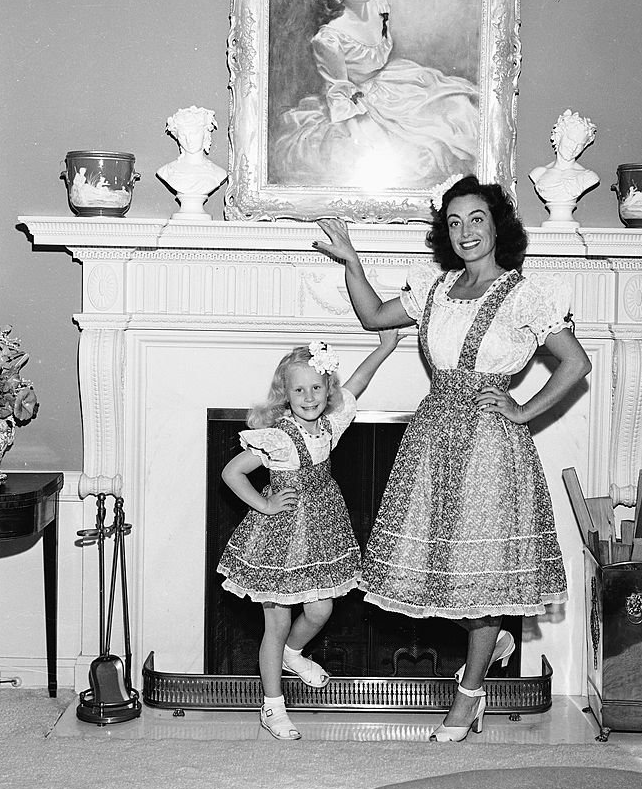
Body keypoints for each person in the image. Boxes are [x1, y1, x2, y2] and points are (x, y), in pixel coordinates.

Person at [314, 176, 591, 742]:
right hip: (434, 442)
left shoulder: (524, 296)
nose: (465, 231)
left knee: (478, 576)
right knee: (440, 578)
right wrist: (352, 262)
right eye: (454, 221)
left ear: (498, 226)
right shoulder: (436, 291)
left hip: (491, 447)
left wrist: (522, 411)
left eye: (477, 218)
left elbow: (575, 364)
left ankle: (468, 696)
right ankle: (494, 642)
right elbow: (373, 318)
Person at [217, 333, 401, 740]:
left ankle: (292, 655)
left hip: (321, 534)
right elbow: (232, 472)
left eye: (317, 387)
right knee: (276, 623)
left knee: (320, 612)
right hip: (279, 539)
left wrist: (386, 345)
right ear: (286, 394)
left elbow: (358, 383)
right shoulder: (279, 437)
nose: (309, 396)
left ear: (327, 390)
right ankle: (273, 706)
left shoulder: (331, 425)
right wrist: (263, 505)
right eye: (299, 389)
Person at [270, 0, 478, 190]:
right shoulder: (329, 38)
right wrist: (362, 128)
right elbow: (340, 91)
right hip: (358, 101)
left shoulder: (380, 8)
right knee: (405, 154)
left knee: (459, 111)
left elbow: (380, 54)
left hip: (396, 83)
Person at [529, 108, 598, 208]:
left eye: (580, 145)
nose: (573, 148)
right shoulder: (538, 173)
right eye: (570, 140)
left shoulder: (588, 177)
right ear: (558, 136)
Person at [157, 105, 227, 199]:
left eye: (194, 133)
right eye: (182, 135)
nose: (189, 140)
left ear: (205, 133)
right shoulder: (167, 171)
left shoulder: (218, 173)